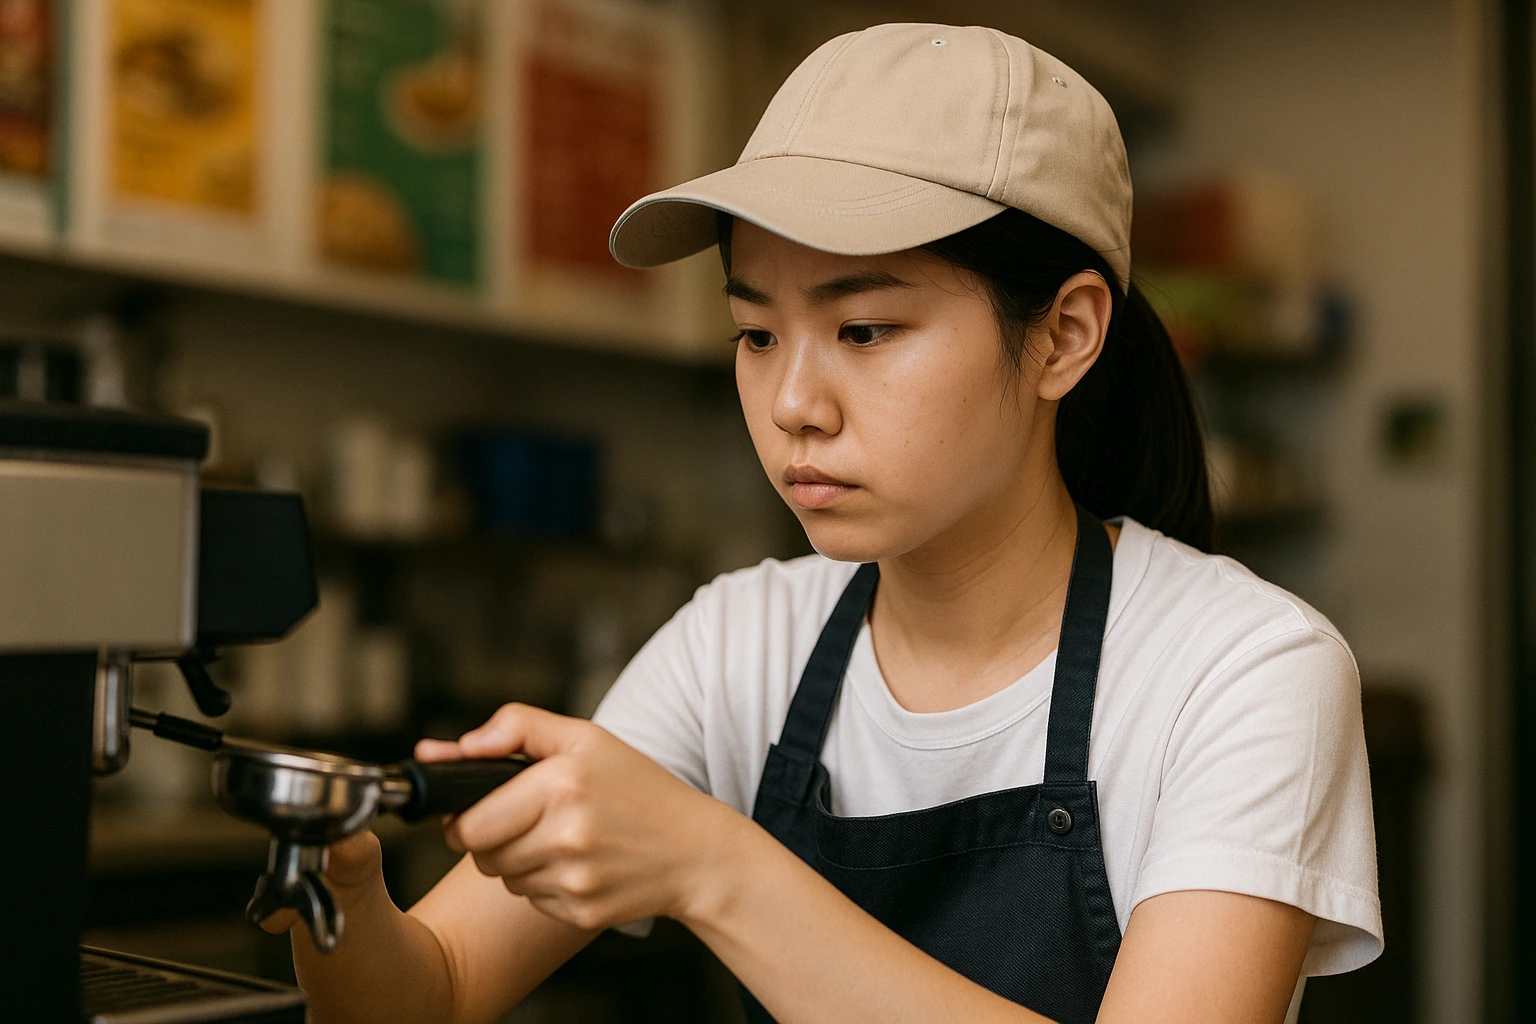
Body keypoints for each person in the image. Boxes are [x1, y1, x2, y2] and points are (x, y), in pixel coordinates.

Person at [268, 23, 1383, 1024]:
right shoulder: (737, 645)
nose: (794, 402)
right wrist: (344, 892)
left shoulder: (1240, 669)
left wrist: (714, 865)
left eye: (864, 329)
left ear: (1063, 336)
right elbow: (437, 992)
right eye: (757, 335)